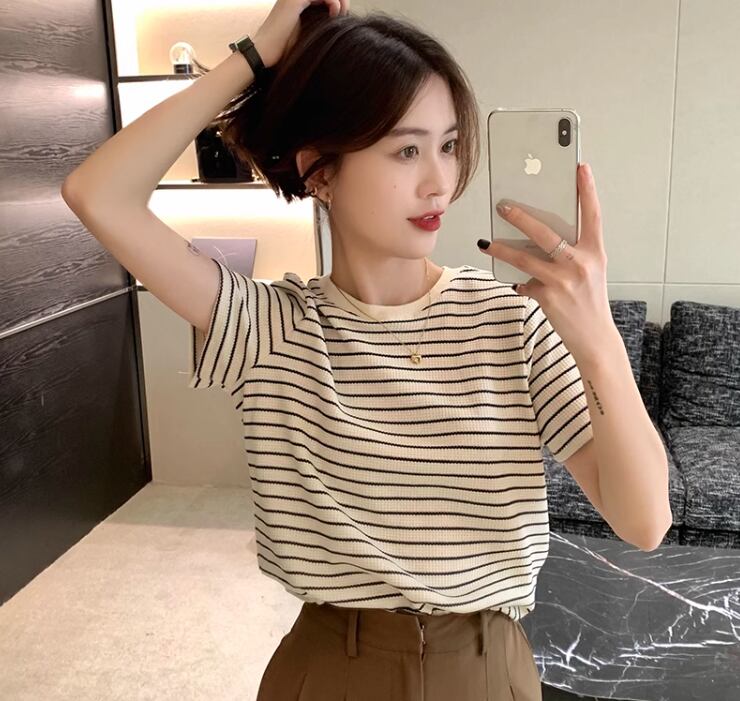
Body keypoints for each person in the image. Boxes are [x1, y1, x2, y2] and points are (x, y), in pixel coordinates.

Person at [62, 1, 594, 698]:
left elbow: (645, 519)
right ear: (319, 171)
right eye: (406, 150)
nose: (439, 181)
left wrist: (595, 327)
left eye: (448, 145)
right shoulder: (272, 329)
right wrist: (257, 53)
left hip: (487, 664)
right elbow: (97, 192)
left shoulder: (509, 320)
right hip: (330, 668)